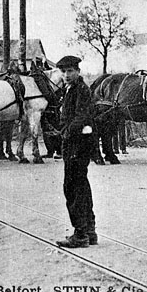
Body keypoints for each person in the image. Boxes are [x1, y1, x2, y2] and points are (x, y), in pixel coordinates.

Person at [55, 55, 97, 248]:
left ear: (78, 71)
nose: (66, 75)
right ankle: (89, 230)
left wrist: (65, 133)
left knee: (72, 187)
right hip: (76, 143)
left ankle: (80, 234)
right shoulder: (70, 89)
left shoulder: (81, 90)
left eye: (70, 71)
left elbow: (81, 117)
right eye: (63, 71)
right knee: (81, 185)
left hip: (76, 144)